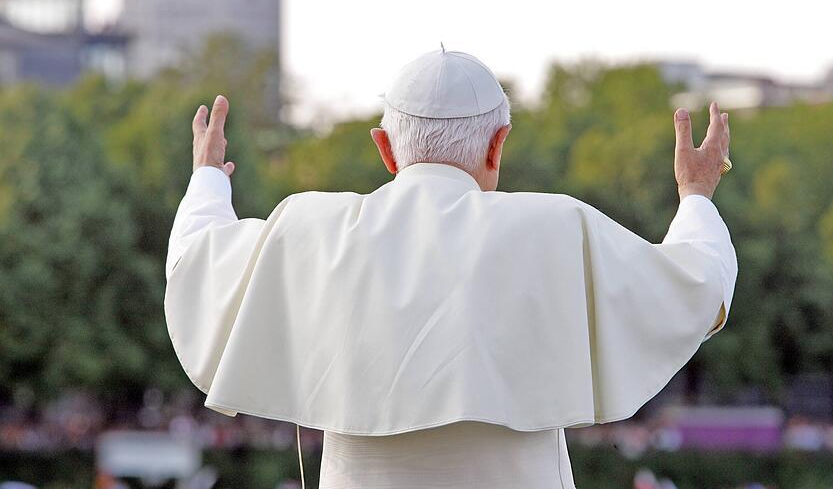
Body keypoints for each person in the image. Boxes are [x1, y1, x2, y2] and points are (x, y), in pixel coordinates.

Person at [164, 48, 737, 488]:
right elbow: (694, 286)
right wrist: (695, 195)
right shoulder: (556, 226)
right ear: (498, 144)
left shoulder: (309, 226)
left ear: (385, 148)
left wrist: (207, 181)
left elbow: (195, 263)